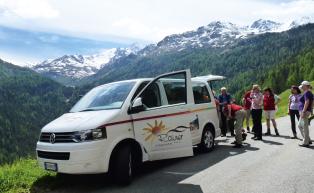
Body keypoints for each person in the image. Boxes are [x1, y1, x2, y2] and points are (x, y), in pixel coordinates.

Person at [298, 81, 313, 147]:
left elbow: (307, 102)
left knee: (303, 126)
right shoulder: (309, 93)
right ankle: (308, 139)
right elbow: (312, 102)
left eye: (302, 85)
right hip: (306, 111)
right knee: (301, 126)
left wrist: (304, 111)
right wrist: (310, 110)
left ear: (306, 86)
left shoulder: (307, 93)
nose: (302, 87)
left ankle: (306, 142)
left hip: (304, 111)